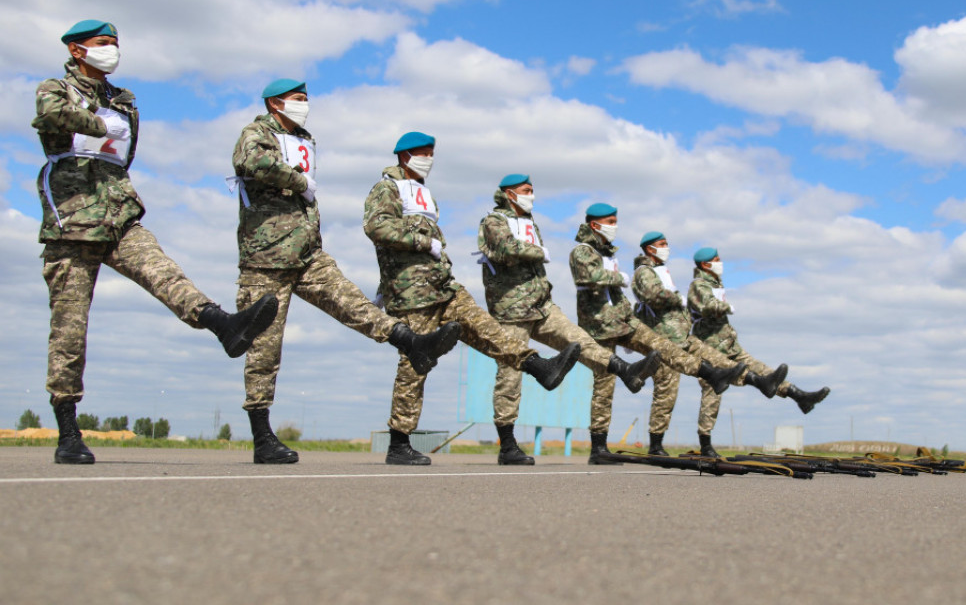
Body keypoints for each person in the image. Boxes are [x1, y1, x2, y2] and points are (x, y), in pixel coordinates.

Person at [33, 19, 278, 465]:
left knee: (164, 272)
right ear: (76, 50)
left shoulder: (124, 101)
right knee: (70, 328)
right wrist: (97, 122)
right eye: (101, 44)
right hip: (71, 218)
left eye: (115, 44)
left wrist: (108, 121)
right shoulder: (55, 88)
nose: (111, 50)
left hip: (119, 211)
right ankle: (68, 431)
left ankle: (224, 324)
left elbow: (125, 151)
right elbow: (51, 117)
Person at [231, 79, 461, 464]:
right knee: (264, 349)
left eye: (307, 98)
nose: (305, 104)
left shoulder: (305, 138)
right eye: (297, 99)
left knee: (354, 304)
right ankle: (262, 436)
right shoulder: (256, 132)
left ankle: (411, 342)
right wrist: (298, 179)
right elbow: (249, 162)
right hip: (266, 257)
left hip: (308, 254)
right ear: (274, 103)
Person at [363, 134, 580, 465]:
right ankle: (399, 443)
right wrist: (422, 242)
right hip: (411, 293)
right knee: (415, 364)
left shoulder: (422, 192)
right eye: (423, 153)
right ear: (405, 156)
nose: (429, 159)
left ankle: (540, 367)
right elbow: (376, 227)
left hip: (443, 286)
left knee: (491, 331)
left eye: (432, 153)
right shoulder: (387, 187)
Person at [476, 177, 676, 465]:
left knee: (580, 340)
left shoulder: (531, 222)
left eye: (532, 190)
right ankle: (507, 446)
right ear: (510, 194)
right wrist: (539, 252)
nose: (531, 195)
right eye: (526, 191)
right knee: (510, 375)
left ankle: (625, 370)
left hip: (542, 306)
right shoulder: (494, 220)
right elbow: (505, 250)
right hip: (510, 309)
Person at [571, 206, 746, 464]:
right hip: (598, 324)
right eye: (610, 222)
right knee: (604, 384)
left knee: (663, 351)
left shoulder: (609, 254)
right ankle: (598, 448)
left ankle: (709, 374)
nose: (614, 226)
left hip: (623, 320)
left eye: (616, 221)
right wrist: (618, 277)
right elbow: (588, 276)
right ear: (595, 225)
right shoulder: (583, 252)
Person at [632, 232, 784, 455]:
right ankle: (656, 445)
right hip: (662, 340)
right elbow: (651, 295)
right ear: (649, 249)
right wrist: (677, 298)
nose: (667, 247)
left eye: (666, 243)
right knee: (666, 393)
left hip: (682, 337)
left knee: (720, 362)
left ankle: (760, 381)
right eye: (661, 244)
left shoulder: (660, 271)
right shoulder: (644, 272)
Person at [689, 247, 830, 457]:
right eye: (716, 260)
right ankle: (705, 443)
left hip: (729, 344)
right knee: (712, 393)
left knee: (766, 372)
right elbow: (707, 305)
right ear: (705, 264)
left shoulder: (715, 283)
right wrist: (724, 307)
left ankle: (799, 396)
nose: (720, 263)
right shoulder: (698, 285)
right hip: (710, 348)